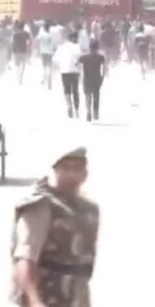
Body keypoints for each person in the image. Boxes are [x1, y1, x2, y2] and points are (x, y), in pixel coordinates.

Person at [11, 147, 99, 307]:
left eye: (77, 168)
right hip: (47, 295)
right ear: (55, 171)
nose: (71, 174)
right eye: (65, 168)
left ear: (85, 173)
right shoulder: (40, 206)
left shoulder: (88, 209)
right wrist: (35, 301)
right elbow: (25, 258)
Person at [54, 32, 81, 118]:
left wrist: (60, 66)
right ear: (73, 38)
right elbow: (80, 59)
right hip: (74, 71)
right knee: (75, 91)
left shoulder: (61, 47)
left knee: (67, 89)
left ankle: (69, 104)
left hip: (64, 71)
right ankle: (76, 110)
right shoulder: (77, 47)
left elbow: (55, 59)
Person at [78, 40, 106, 121]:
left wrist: (80, 77)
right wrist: (103, 77)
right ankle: (95, 113)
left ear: (89, 48)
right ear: (97, 48)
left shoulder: (84, 57)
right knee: (96, 96)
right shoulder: (100, 57)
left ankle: (88, 111)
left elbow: (78, 65)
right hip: (97, 79)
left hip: (87, 79)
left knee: (87, 96)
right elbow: (104, 68)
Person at [37, 21, 56, 89]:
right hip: (50, 53)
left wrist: (39, 49)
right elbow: (54, 45)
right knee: (50, 67)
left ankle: (44, 78)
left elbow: (37, 40)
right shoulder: (51, 35)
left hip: (43, 52)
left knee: (44, 67)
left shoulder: (41, 34)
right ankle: (49, 81)